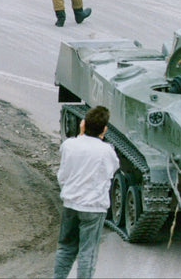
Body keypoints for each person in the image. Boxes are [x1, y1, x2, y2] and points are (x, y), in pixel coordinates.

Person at [53, 106, 119, 279]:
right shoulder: (107, 151)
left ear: (83, 124)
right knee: (87, 253)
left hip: (70, 203)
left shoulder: (69, 145)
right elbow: (112, 170)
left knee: (65, 248)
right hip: (93, 207)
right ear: (104, 129)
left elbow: (63, 173)